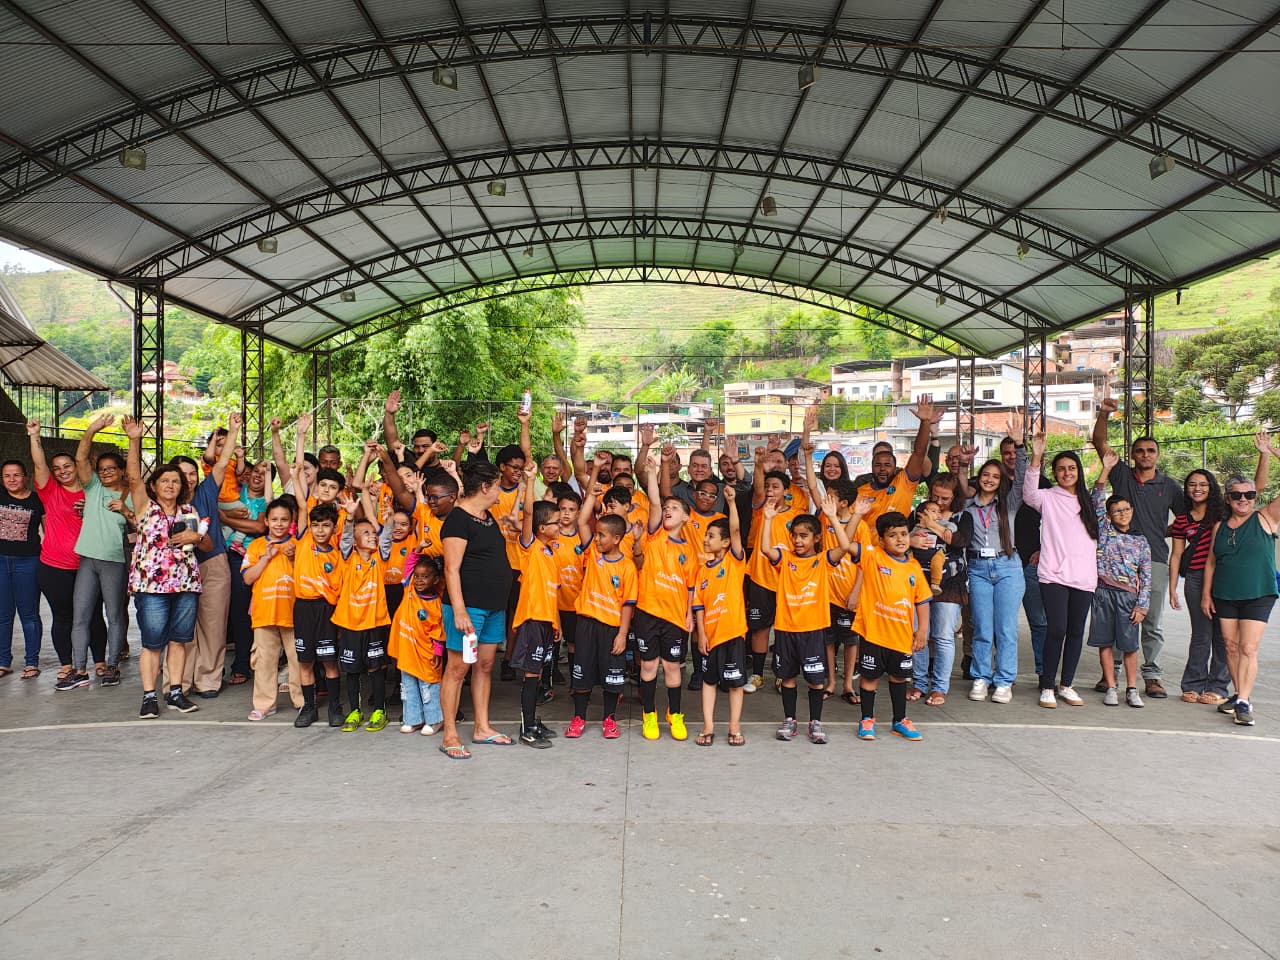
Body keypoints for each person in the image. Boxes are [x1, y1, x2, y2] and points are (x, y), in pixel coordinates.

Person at [1092, 394, 1185, 698]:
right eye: (1140, 450)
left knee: (1151, 620)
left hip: (1155, 560)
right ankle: (1113, 673)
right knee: (1119, 618)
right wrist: (1104, 414)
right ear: (1132, 455)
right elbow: (1099, 442)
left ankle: (1152, 675)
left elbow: (1186, 519)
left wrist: (1162, 532)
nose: (1145, 454)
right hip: (1117, 563)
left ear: (1157, 455)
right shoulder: (1122, 475)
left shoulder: (1169, 486)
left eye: (1151, 450)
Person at [122, 416, 209, 719]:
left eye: (176, 481)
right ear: (154, 486)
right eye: (165, 481)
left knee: (180, 640)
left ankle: (175, 692)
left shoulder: (189, 510)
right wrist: (134, 439)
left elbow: (204, 543)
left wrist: (196, 537)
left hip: (186, 583)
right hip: (151, 586)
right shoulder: (146, 507)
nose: (171, 485)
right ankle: (149, 696)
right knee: (153, 643)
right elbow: (133, 477)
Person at [758, 491, 857, 745]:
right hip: (786, 629)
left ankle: (815, 722)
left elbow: (845, 546)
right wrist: (767, 519)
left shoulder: (823, 560)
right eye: (794, 535)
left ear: (816, 538)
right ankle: (790, 720)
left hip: (813, 630)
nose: (797, 540)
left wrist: (832, 517)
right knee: (788, 678)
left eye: (803, 536)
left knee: (815, 681)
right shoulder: (785, 558)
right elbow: (765, 548)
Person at [438, 459, 515, 759]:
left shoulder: (486, 516)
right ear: (485, 487)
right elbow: (451, 569)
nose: (499, 491)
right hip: (468, 609)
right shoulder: (457, 520)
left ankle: (482, 727)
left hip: (493, 606)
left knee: (485, 665)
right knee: (458, 669)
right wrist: (459, 610)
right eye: (496, 485)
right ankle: (450, 734)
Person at [1201, 445, 1280, 727]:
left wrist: (1270, 453)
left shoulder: (1266, 517)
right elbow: (1211, 562)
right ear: (1228, 498)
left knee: (1248, 648)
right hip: (1225, 594)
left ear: (1255, 497)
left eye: (1249, 495)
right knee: (1231, 647)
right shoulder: (1220, 526)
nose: (1243, 499)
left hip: (1259, 593)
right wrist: (1206, 595)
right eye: (1237, 495)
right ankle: (1238, 693)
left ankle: (1244, 701)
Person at [1022, 433, 1099, 709]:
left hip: (1084, 577)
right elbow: (1028, 494)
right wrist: (1036, 456)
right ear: (1054, 473)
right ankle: (1047, 686)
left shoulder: (1089, 501)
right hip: (1053, 574)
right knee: (1056, 629)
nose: (1067, 473)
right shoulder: (1047, 497)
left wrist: (1107, 469)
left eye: (1072, 468)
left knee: (1076, 631)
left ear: (1079, 471)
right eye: (1061, 469)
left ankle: (1066, 685)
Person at [169, 413, 241, 698]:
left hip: (213, 564)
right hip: (177, 568)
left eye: (192, 473)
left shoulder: (207, 491)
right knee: (181, 628)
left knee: (213, 626)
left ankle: (208, 679)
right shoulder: (164, 502)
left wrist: (232, 432)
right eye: (182, 474)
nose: (189, 479)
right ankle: (179, 682)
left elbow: (221, 463)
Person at [28, 419, 101, 685]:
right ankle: (68, 665)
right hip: (54, 567)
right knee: (63, 616)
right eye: (57, 468)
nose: (62, 471)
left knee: (93, 616)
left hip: (88, 565)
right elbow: (39, 465)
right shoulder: (50, 491)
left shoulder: (93, 491)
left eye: (67, 466)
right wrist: (34, 435)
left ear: (76, 467)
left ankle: (101, 663)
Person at [60, 415, 131, 691]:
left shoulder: (132, 495)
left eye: (112, 468)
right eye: (102, 469)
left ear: (122, 471)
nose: (106, 472)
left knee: (115, 615)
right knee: (81, 616)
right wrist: (92, 429)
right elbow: (80, 459)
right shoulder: (93, 488)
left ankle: (112, 666)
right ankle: (79, 670)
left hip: (115, 561)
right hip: (87, 559)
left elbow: (141, 525)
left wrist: (126, 510)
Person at [565, 476, 638, 739]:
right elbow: (582, 521)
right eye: (596, 535)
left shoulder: (628, 567)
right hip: (586, 624)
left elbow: (627, 605)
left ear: (617, 538)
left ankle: (609, 719)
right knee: (582, 674)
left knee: (613, 676)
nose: (596, 539)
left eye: (602, 536)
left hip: (611, 629)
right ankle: (579, 717)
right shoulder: (593, 554)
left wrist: (622, 634)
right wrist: (593, 496)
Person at [632, 449, 697, 741]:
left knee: (672, 667)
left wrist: (689, 615)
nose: (668, 510)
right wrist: (651, 472)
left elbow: (691, 587)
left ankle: (675, 714)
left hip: (674, 617)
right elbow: (655, 501)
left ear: (686, 517)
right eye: (667, 507)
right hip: (647, 612)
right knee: (648, 666)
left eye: (675, 508)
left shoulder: (689, 551)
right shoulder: (654, 534)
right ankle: (649, 715)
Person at [852, 511, 932, 742]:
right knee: (870, 678)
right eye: (892, 535)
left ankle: (900, 721)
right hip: (873, 634)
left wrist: (922, 630)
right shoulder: (872, 556)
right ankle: (867, 719)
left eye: (904, 534)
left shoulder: (914, 567)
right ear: (881, 540)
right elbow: (847, 544)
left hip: (901, 636)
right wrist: (855, 515)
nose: (900, 539)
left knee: (899, 678)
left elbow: (922, 601)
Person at [291, 413, 348, 727]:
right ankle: (308, 707)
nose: (325, 489)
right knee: (305, 660)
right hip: (303, 606)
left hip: (328, 606)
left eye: (332, 486)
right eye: (321, 485)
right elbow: (300, 477)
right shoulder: (305, 528)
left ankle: (335, 708)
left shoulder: (338, 529)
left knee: (329, 660)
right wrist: (301, 436)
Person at [333, 465, 394, 733]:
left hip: (374, 622)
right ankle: (355, 712)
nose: (372, 536)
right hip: (350, 624)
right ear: (356, 542)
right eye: (366, 533)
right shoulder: (349, 557)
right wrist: (349, 518)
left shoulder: (380, 558)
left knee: (376, 668)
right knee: (352, 670)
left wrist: (388, 519)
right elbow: (345, 538)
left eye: (373, 533)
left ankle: (380, 710)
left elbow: (387, 536)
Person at [1088, 451, 1152, 707]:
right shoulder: (1104, 531)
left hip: (1128, 597)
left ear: (1132, 511)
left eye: (1125, 509)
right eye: (1116, 511)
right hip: (1103, 593)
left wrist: (1142, 605)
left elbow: (1146, 576)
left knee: (1130, 645)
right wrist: (1105, 469)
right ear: (1109, 515)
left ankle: (1132, 688)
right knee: (1105, 642)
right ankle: (1111, 686)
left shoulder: (1141, 541)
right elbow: (1096, 499)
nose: (1122, 514)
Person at [511, 460, 563, 748]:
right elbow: (528, 512)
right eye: (555, 521)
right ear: (542, 528)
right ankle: (526, 727)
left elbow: (552, 593)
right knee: (531, 673)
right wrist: (530, 481)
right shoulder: (530, 547)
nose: (560, 524)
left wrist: (556, 623)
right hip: (531, 620)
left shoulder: (549, 553)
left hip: (545, 621)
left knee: (539, 672)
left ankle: (532, 720)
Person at [964, 459, 1024, 705]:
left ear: (1001, 482)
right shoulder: (968, 505)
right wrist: (962, 464)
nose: (989, 479)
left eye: (995, 476)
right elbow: (958, 485)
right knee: (982, 627)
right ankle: (981, 677)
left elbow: (1021, 480)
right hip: (978, 568)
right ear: (979, 477)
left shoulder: (1009, 503)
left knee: (1006, 629)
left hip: (1007, 566)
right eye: (985, 475)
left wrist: (1021, 449)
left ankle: (1004, 681)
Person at [1168, 470, 1230, 705]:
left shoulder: (1223, 514)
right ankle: (1193, 684)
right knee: (1201, 634)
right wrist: (1172, 587)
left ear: (1211, 487)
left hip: (1223, 578)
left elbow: (1255, 491)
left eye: (1203, 484)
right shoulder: (1182, 520)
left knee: (1222, 635)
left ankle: (1217, 687)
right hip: (1195, 578)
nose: (1197, 489)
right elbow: (1176, 555)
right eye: (1192, 484)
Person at [911, 483, 972, 706]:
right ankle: (919, 682)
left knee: (943, 636)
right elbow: (902, 538)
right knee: (919, 634)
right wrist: (912, 539)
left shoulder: (962, 517)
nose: (939, 501)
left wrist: (931, 525)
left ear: (954, 497)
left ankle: (939, 687)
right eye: (935, 496)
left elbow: (959, 541)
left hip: (950, 584)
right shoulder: (918, 513)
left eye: (944, 498)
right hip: (918, 580)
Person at [240, 497, 300, 722]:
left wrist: (293, 559)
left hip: (293, 612)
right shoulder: (256, 546)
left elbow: (305, 577)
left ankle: (302, 701)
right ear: (266, 521)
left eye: (284, 519)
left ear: (291, 521)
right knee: (264, 660)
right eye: (274, 519)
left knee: (297, 659)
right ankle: (264, 704)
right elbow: (248, 578)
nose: (279, 524)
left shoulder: (297, 545)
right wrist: (265, 558)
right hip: (264, 612)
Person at [692, 504, 747, 746]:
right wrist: (702, 635)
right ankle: (708, 726)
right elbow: (699, 606)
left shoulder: (734, 562)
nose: (705, 539)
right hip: (711, 638)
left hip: (732, 633)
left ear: (725, 542)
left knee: (735, 683)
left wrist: (733, 503)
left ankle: (734, 728)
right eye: (705, 535)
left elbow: (735, 530)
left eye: (711, 536)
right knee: (709, 680)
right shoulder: (702, 571)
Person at [744, 450, 798, 694]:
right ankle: (757, 675)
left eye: (775, 487)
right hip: (760, 577)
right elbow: (757, 490)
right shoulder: (760, 508)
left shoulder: (796, 515)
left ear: (786, 491)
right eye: (767, 486)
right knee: (759, 629)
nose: (770, 491)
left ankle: (782, 674)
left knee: (785, 630)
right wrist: (758, 465)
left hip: (787, 580)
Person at [854, 397, 937, 529]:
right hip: (867, 543)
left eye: (887, 465)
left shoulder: (904, 482)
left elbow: (919, 453)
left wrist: (925, 422)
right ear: (871, 468)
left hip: (899, 542)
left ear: (895, 468)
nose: (882, 468)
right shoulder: (860, 492)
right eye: (878, 465)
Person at [223, 455, 271, 686]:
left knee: (249, 612)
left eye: (264, 474)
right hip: (228, 555)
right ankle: (237, 663)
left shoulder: (266, 504)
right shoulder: (235, 493)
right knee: (235, 611)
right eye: (255, 472)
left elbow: (259, 526)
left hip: (253, 557)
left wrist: (226, 519)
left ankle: (248, 664)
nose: (258, 476)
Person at [387, 556, 446, 736]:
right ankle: (413, 720)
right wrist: (418, 550)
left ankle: (434, 720)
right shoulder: (409, 591)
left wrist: (438, 651)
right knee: (408, 688)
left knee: (429, 687)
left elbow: (438, 630)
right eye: (417, 576)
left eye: (425, 576)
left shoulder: (436, 603)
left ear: (435, 580)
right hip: (407, 652)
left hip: (426, 653)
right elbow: (409, 566)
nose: (419, 580)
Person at [0, 458, 44, 680]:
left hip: (28, 562)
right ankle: (3, 662)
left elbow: (50, 530)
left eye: (16, 475)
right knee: (3, 614)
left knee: (29, 614)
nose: (12, 479)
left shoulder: (37, 501)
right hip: (0, 562)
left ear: (25, 476)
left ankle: (31, 662)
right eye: (6, 476)